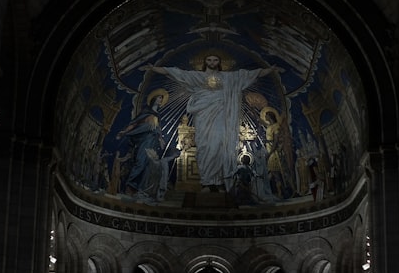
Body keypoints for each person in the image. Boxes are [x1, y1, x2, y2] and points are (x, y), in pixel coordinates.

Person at [143, 53, 281, 192]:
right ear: (205, 61)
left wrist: (270, 70)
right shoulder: (197, 77)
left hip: (221, 117)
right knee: (205, 147)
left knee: (220, 146)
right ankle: (207, 183)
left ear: (219, 62)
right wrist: (154, 69)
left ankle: (219, 182)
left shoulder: (228, 77)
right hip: (203, 117)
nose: (212, 62)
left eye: (215, 60)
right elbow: (176, 72)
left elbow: (250, 74)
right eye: (209, 59)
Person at [116, 89, 167, 197]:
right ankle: (130, 186)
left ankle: (143, 189)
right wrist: (125, 131)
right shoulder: (146, 112)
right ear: (154, 99)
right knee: (141, 161)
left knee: (150, 165)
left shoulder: (157, 115)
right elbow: (135, 123)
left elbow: (158, 130)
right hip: (144, 139)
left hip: (153, 141)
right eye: (159, 98)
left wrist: (161, 140)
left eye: (162, 99)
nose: (160, 100)